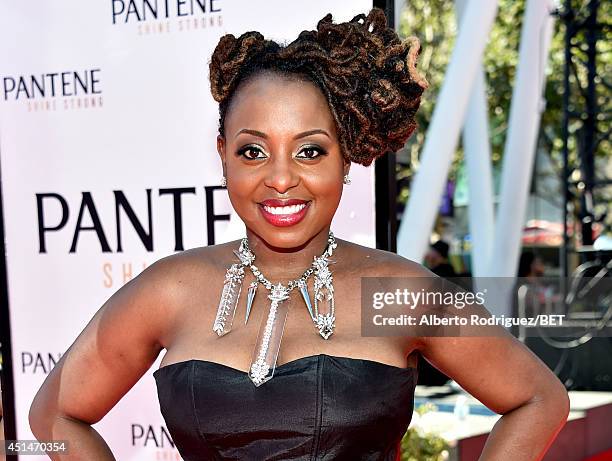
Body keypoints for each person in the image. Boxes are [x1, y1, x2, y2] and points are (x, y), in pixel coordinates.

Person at [29, 8, 569, 460]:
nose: (281, 178)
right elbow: (53, 415)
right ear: (224, 156)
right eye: (253, 151)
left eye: (309, 150)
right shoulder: (170, 289)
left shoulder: (395, 292)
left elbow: (538, 399)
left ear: (345, 160)